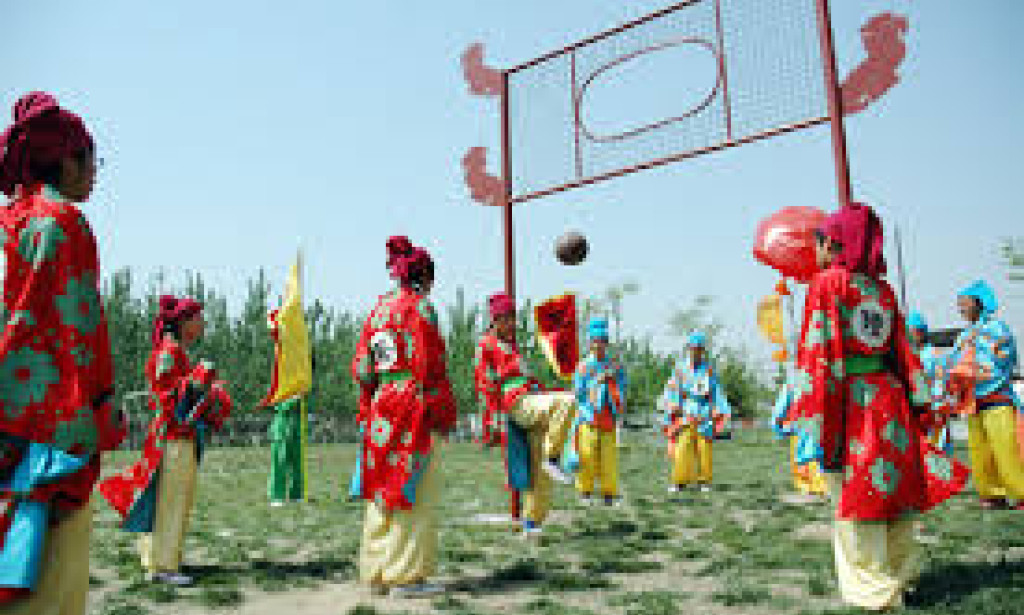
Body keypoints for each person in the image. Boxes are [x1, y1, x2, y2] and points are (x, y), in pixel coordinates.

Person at [791, 203, 968, 610]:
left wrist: (814, 418)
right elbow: (904, 353)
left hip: (852, 401)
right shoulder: (881, 290)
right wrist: (918, 404)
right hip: (890, 399)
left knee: (857, 498)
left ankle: (874, 592)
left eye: (819, 241)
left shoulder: (828, 285)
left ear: (833, 243)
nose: (815, 249)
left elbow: (818, 354)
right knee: (894, 494)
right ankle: (901, 576)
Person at [0, 91, 126, 614]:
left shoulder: (16, 219)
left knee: (14, 540)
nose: (95, 173)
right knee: (56, 555)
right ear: (67, 160)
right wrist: (101, 403)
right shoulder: (64, 222)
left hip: (11, 400)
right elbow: (79, 325)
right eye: (92, 161)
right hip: (56, 411)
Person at [99, 296, 233, 586]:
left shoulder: (174, 352)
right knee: (172, 501)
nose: (203, 324)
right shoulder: (170, 352)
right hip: (175, 438)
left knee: (162, 497)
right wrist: (201, 384)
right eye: (199, 318)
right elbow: (168, 395)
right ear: (185, 323)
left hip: (170, 437)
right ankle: (164, 566)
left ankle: (155, 555)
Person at [350, 237, 456, 598]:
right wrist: (440, 408)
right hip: (414, 407)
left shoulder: (378, 311)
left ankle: (377, 569)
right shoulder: (421, 309)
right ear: (424, 276)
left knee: (383, 487)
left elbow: (363, 368)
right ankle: (406, 577)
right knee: (414, 489)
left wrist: (380, 394)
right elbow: (431, 365)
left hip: (383, 405)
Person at [474, 292, 577, 537]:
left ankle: (532, 523)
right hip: (516, 402)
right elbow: (485, 384)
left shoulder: (513, 346)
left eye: (513, 318)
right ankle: (554, 458)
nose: (512, 323)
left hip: (530, 398)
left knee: (537, 470)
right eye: (507, 318)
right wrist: (492, 422)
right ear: (496, 319)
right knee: (567, 401)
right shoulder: (486, 344)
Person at [943, 280, 1024, 510]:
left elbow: (1001, 359)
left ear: (978, 303)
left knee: (1006, 449)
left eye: (964, 303)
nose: (960, 308)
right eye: (959, 304)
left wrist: (971, 370)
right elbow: (954, 362)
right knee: (980, 452)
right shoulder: (964, 335)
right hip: (973, 402)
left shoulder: (998, 329)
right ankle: (991, 494)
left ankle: (1020, 494)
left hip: (997, 399)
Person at [565, 317, 627, 506]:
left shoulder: (614, 366)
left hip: (607, 417)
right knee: (587, 456)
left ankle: (609, 493)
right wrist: (597, 381)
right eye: (595, 341)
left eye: (602, 341)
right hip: (588, 416)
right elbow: (577, 391)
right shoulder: (583, 366)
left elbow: (623, 386)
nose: (598, 345)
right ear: (590, 343)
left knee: (609, 458)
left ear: (606, 343)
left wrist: (613, 381)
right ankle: (585, 492)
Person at [660, 333, 731, 493]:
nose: (695, 352)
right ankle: (679, 481)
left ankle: (704, 481)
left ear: (703, 351)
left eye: (699, 350)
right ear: (688, 349)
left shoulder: (709, 371)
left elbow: (716, 391)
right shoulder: (680, 369)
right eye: (693, 349)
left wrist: (720, 408)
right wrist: (672, 405)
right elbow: (672, 389)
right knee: (682, 447)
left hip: (704, 413)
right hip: (686, 412)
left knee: (704, 448)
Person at [772, 374, 827, 497]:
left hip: (800, 427)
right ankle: (820, 485)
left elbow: (780, 408)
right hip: (822, 427)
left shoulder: (794, 380)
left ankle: (807, 486)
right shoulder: (830, 375)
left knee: (803, 458)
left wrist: (779, 428)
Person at [906, 312, 953, 454]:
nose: (913, 335)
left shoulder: (935, 354)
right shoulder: (907, 355)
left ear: (922, 332)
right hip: (914, 411)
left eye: (916, 331)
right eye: (910, 332)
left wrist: (938, 408)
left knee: (938, 450)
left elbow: (942, 383)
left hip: (934, 410)